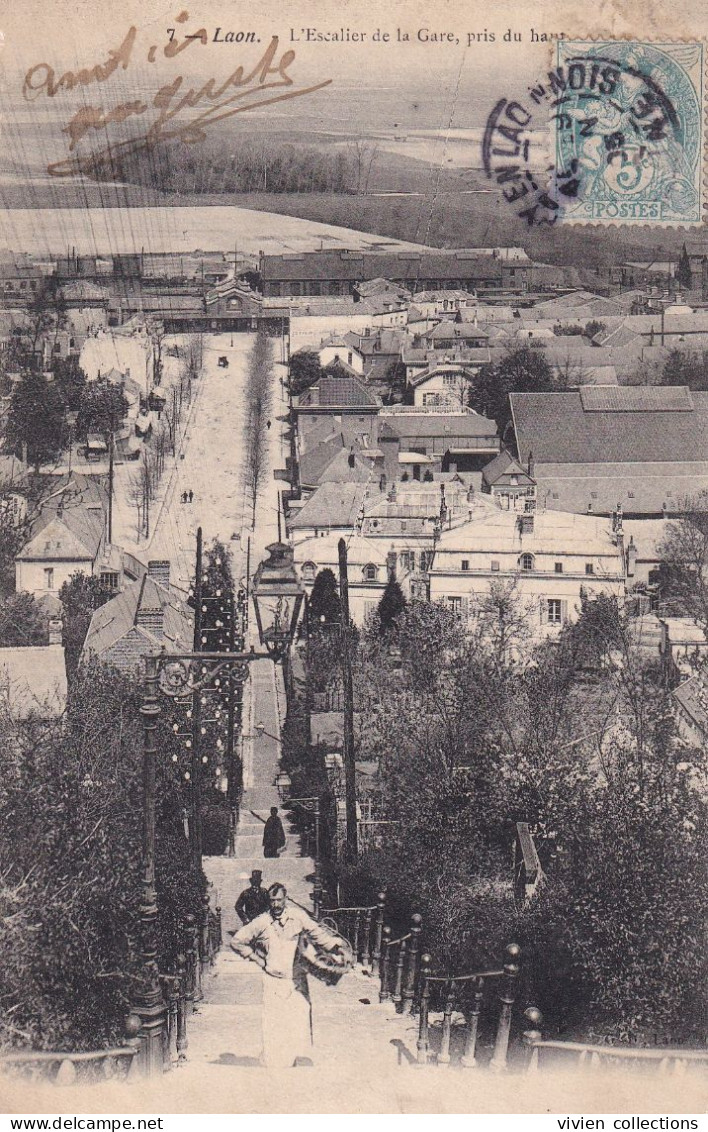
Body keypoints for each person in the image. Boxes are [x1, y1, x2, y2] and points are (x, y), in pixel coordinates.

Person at [231, 883, 347, 1067]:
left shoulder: (298, 916)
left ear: (286, 899)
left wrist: (335, 945)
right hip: (273, 980)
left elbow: (317, 934)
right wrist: (257, 960)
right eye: (272, 901)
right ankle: (273, 1062)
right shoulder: (262, 921)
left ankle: (293, 1059)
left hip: (296, 979)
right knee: (273, 1022)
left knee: (300, 1015)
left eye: (279, 900)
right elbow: (237, 941)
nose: (276, 905)